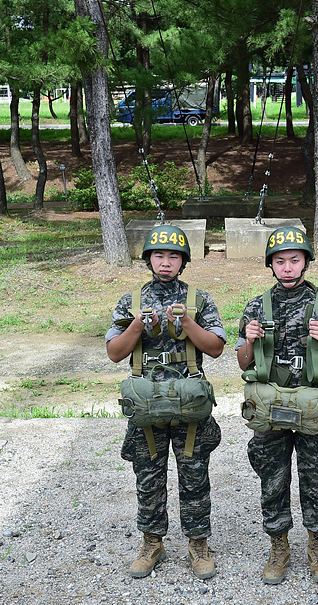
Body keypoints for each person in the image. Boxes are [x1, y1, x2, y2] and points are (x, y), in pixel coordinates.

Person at [106, 225, 226, 580]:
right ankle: (152, 541)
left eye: (174, 255)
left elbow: (216, 347)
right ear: (148, 259)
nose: (166, 262)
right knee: (148, 475)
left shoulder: (198, 299)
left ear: (183, 261)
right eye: (159, 255)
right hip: (146, 404)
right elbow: (114, 353)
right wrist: (137, 328)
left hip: (188, 403)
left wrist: (186, 321)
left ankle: (198, 542)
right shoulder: (132, 300)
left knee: (194, 475)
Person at [237, 228, 318, 584]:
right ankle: (279, 546)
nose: (288, 268)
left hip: (311, 407)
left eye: (295, 260)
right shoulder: (258, 305)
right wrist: (251, 342)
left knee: (315, 479)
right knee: (273, 479)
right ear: (271, 264)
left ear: (306, 262)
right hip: (270, 408)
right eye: (280, 261)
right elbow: (242, 362)